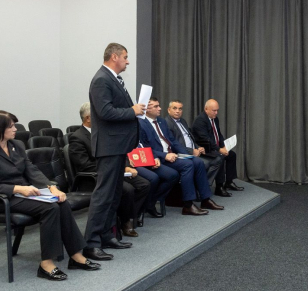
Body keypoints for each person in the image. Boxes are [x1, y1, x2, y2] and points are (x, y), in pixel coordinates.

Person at [0, 111, 100, 281]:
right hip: (0, 199)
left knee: (61, 202)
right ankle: (46, 264)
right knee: (50, 208)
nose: (15, 129)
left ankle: (76, 256)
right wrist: (17, 188)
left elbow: (31, 170)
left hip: (24, 194)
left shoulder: (16, 145)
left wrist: (51, 187)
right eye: (11, 126)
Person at [85, 43, 145, 261]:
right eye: (125, 57)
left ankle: (106, 235)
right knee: (103, 195)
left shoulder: (113, 79)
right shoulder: (101, 79)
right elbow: (105, 112)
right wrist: (132, 111)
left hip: (118, 146)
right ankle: (91, 244)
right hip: (108, 146)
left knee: (113, 194)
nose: (127, 61)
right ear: (114, 57)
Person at [69, 102, 150, 239]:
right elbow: (84, 165)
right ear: (88, 118)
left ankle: (127, 215)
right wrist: (114, 168)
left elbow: (119, 152)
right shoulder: (77, 137)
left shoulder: (104, 132)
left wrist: (125, 166)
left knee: (144, 185)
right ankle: (125, 221)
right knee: (127, 190)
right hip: (95, 177)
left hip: (115, 170)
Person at [139, 97, 223, 215]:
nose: (160, 108)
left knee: (198, 162)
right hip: (159, 158)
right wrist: (164, 155)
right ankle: (188, 205)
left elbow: (173, 141)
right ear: (147, 109)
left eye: (159, 105)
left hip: (173, 155)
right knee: (187, 165)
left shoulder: (161, 121)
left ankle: (205, 199)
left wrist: (185, 154)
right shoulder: (141, 124)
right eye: (156, 106)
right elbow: (144, 148)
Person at [191, 99, 244, 197]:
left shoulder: (215, 118)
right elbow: (206, 139)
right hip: (205, 149)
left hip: (214, 147)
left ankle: (229, 182)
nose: (216, 113)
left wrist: (223, 146)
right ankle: (219, 187)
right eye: (214, 110)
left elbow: (219, 134)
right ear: (206, 109)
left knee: (232, 155)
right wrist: (220, 150)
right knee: (220, 156)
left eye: (217, 110)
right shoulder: (200, 121)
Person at [165, 100, 222, 186]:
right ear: (169, 110)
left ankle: (203, 185)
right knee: (204, 163)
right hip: (182, 154)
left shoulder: (182, 121)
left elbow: (190, 138)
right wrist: (192, 151)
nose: (178, 111)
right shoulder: (166, 123)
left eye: (180, 109)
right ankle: (201, 186)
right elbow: (174, 145)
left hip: (194, 150)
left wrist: (198, 147)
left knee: (217, 159)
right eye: (175, 108)